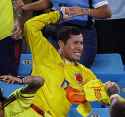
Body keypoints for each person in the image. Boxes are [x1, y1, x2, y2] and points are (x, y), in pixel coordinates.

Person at [24, 10, 119, 117]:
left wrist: (110, 91)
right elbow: (30, 26)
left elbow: (103, 96)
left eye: (81, 43)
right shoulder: (44, 53)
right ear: (61, 44)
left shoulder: (84, 73)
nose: (80, 47)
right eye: (75, 43)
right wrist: (57, 15)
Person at [51, 0, 112, 67]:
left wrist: (83, 11)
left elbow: (106, 12)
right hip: (58, 29)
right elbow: (46, 3)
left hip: (84, 30)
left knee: (77, 65)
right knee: (49, 64)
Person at [0, 0, 22, 76]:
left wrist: (17, 20)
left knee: (8, 76)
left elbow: (18, 3)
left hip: (6, 35)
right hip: (6, 34)